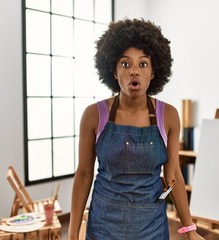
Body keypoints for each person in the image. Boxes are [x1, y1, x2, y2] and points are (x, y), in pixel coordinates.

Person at [68, 18, 205, 240]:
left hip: (151, 226)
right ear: (113, 71)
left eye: (142, 64)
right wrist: (73, 233)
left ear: (153, 72)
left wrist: (190, 230)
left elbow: (173, 175)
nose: (134, 71)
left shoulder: (168, 116)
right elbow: (84, 174)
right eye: (125, 64)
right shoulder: (94, 115)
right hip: (104, 224)